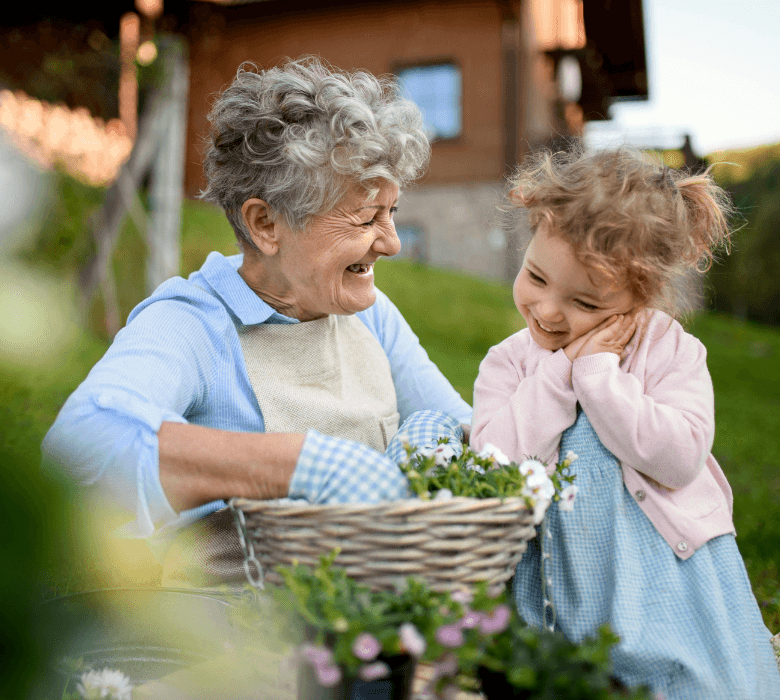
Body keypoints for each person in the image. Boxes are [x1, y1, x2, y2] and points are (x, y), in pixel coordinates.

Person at [43, 57, 470, 586]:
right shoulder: (192, 323)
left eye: (391, 213)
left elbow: (464, 429)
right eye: (364, 218)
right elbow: (79, 447)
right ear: (265, 223)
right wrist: (300, 464)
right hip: (238, 641)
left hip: (373, 614)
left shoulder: (373, 316)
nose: (392, 243)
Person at [470, 147, 780, 699]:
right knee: (579, 682)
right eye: (536, 276)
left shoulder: (670, 350)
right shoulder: (509, 363)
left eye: (585, 303)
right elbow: (492, 458)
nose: (547, 311)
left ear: (641, 297)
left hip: (669, 573)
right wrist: (560, 374)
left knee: (695, 682)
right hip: (564, 580)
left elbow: (680, 455)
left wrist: (598, 377)